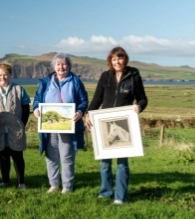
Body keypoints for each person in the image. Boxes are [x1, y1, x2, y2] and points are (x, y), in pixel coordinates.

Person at [85, 46, 148, 205]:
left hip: (124, 124)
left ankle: (120, 196)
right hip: (104, 124)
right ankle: (105, 192)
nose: (117, 62)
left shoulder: (133, 75)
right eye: (114, 59)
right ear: (110, 61)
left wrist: (139, 107)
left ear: (124, 59)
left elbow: (142, 98)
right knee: (104, 163)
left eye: (120, 58)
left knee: (122, 163)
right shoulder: (105, 76)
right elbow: (97, 99)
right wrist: (88, 114)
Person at [32, 52, 88, 194]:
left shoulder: (75, 81)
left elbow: (83, 101)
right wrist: (36, 109)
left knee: (67, 156)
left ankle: (67, 186)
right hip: (49, 126)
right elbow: (38, 99)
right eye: (58, 64)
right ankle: (54, 184)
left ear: (69, 66)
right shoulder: (46, 82)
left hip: (69, 126)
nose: (61, 67)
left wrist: (80, 112)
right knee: (51, 155)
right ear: (54, 66)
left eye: (64, 64)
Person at [0, 62, 30, 190]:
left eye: (5, 74)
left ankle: (21, 183)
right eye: (0, 75)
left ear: (10, 75)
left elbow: (25, 108)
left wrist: (21, 124)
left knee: (18, 156)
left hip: (16, 130)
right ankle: (5, 181)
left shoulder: (19, 89)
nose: (3, 77)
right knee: (3, 157)